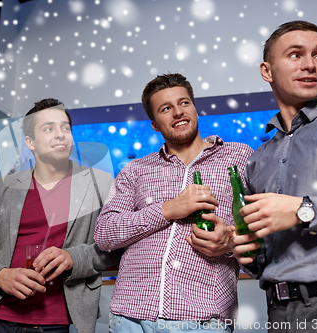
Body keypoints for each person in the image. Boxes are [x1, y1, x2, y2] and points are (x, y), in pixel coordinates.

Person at [230, 20, 317, 331]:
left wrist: (303, 210)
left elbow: (299, 212)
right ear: (267, 71)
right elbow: (265, 259)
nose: (310, 65)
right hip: (279, 312)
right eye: (295, 55)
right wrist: (244, 250)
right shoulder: (257, 161)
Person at [94, 73, 253, 332]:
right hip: (130, 319)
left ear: (194, 108)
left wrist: (231, 242)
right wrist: (168, 209)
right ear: (155, 124)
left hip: (203, 320)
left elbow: (261, 231)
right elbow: (105, 234)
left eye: (184, 103)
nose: (178, 112)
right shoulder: (136, 170)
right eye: (166, 109)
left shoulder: (239, 157)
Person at [0, 98, 120, 333]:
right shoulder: (4, 186)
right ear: (30, 142)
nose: (60, 135)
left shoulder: (100, 184)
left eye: (65, 128)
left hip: (53, 323)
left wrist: (72, 258)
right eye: (48, 128)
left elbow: (115, 247)